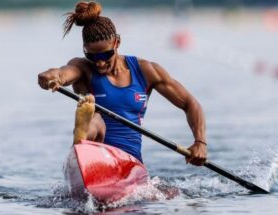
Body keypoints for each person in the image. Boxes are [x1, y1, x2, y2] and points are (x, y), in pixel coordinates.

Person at [38, 1, 207, 166]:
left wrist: (200, 142)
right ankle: (82, 134)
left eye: (105, 55)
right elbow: (62, 73)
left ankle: (84, 137)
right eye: (92, 57)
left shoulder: (146, 71)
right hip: (95, 154)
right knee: (96, 118)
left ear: (117, 43)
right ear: (84, 49)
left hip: (130, 162)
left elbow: (190, 104)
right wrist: (52, 78)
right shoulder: (82, 67)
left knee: (169, 193)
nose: (100, 63)